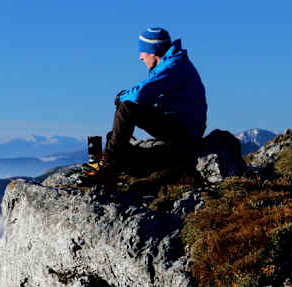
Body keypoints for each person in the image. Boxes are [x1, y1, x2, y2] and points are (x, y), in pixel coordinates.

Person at [84, 27, 207, 179]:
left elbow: (139, 94)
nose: (141, 57)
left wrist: (121, 97)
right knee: (126, 145)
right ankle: (111, 161)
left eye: (143, 51)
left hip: (183, 133)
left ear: (153, 51)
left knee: (127, 108)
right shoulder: (172, 64)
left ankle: (107, 162)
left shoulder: (173, 66)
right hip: (180, 132)